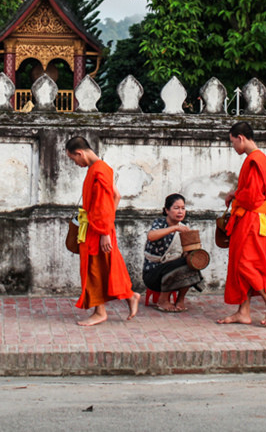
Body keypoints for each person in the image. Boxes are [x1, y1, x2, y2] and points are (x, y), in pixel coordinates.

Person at [66, 136, 138, 326]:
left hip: (98, 229)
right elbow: (116, 196)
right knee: (108, 265)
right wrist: (109, 224)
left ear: (79, 153)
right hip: (101, 225)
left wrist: (105, 230)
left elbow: (103, 203)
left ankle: (100, 312)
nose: (76, 163)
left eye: (74, 159)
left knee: (94, 270)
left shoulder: (98, 170)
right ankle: (130, 296)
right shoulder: (101, 169)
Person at [218, 121, 266, 327]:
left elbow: (253, 196)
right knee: (239, 263)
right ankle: (243, 312)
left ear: (241, 138)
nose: (233, 147)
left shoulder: (255, 159)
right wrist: (235, 193)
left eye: (232, 142)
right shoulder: (255, 158)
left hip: (252, 219)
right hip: (248, 217)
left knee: (246, 263)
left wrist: (236, 196)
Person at [142, 193, 203, 312]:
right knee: (181, 263)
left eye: (183, 208)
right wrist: (174, 228)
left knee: (191, 263)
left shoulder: (184, 228)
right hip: (153, 274)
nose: (180, 211)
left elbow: (187, 253)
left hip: (173, 274)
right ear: (167, 210)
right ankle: (163, 300)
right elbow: (151, 236)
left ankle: (180, 299)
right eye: (176, 208)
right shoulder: (160, 223)